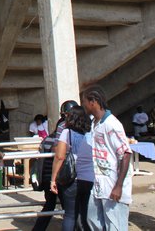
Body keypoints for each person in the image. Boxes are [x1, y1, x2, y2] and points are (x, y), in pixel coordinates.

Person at [82, 85, 132, 231]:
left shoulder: (112, 124)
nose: (83, 105)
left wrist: (119, 186)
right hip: (98, 183)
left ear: (93, 101)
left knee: (115, 225)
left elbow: (125, 154)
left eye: (84, 101)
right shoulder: (94, 123)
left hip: (113, 185)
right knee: (92, 220)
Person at [32, 100, 78, 231]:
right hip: (61, 175)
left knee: (51, 205)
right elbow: (59, 155)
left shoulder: (47, 140)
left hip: (48, 177)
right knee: (69, 211)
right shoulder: (68, 128)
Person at [50, 105, 95, 231]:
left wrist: (53, 179)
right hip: (90, 177)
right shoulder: (91, 132)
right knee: (86, 213)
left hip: (73, 178)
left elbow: (60, 157)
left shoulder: (67, 132)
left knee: (70, 214)